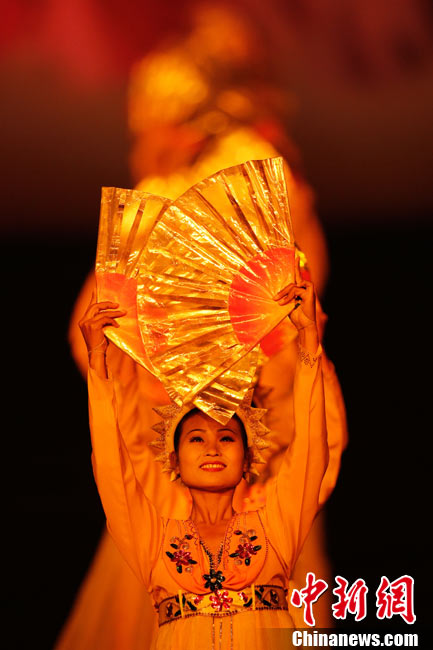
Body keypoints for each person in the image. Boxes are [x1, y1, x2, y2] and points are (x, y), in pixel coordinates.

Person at [79, 277, 340, 649]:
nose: (212, 449)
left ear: (248, 456)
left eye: (228, 438)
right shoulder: (152, 538)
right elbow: (111, 462)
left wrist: (309, 339)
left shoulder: (278, 525)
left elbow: (314, 445)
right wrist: (98, 358)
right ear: (174, 458)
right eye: (196, 439)